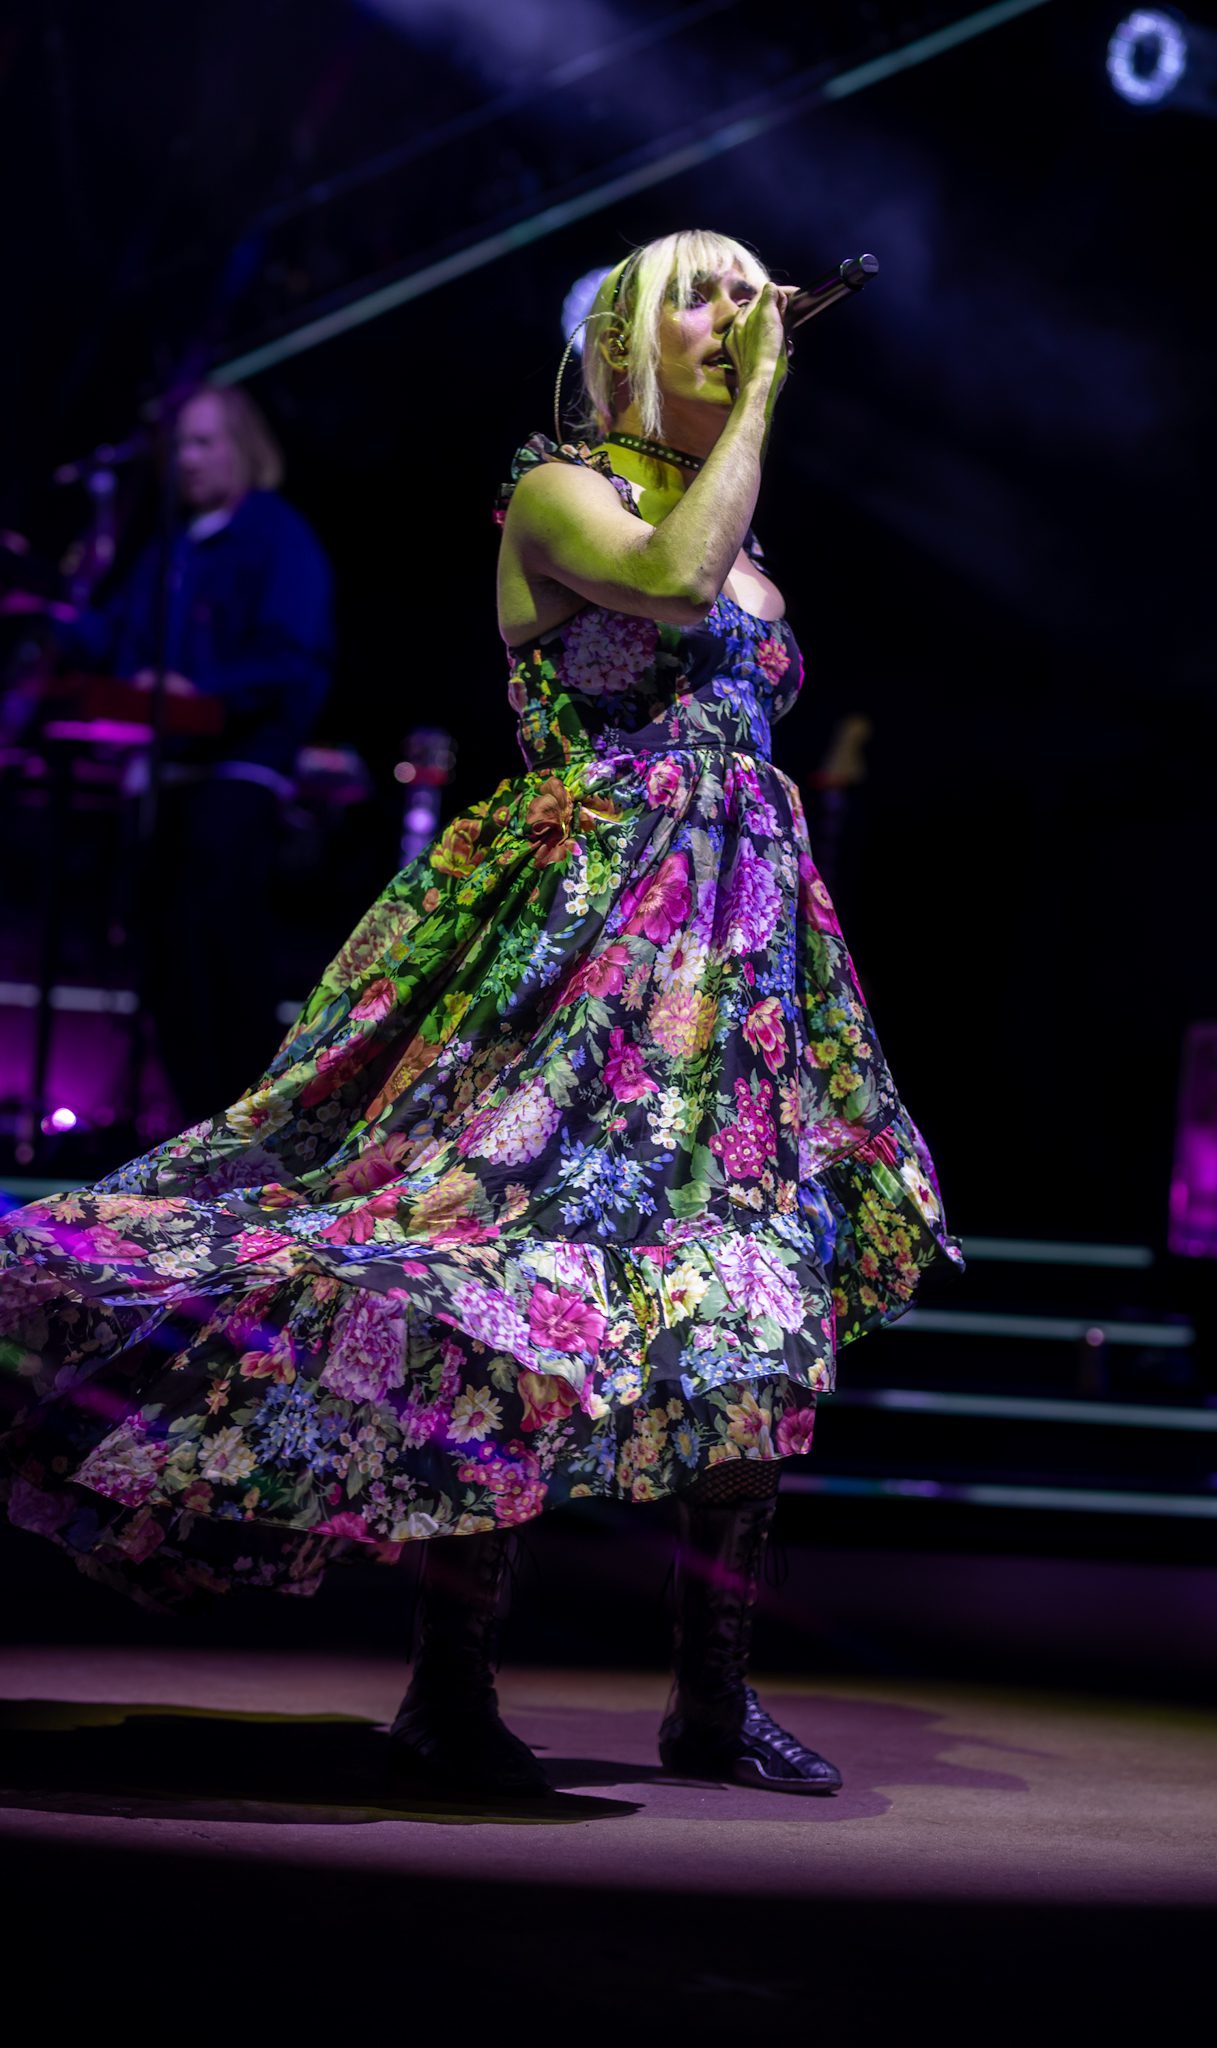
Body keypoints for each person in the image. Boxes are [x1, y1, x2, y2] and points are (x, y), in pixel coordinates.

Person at [0, 229, 961, 1801]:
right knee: (506, 1284)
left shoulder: (737, 514)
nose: (743, 308)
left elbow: (726, 618)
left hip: (735, 965)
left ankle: (709, 1699)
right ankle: (450, 1685)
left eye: (750, 287)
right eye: (705, 290)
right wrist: (769, 388)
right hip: (586, 952)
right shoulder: (558, 490)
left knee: (759, 1303)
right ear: (629, 341)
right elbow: (671, 583)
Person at [58, 384, 334, 1126]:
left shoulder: (276, 536)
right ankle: (184, 1127)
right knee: (158, 948)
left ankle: (248, 1127)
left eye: (203, 442)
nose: (185, 460)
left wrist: (197, 686)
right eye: (178, 444)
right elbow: (110, 641)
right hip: (163, 771)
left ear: (242, 447)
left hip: (237, 768)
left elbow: (292, 658)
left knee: (220, 944)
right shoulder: (167, 548)